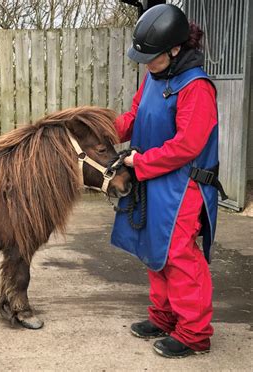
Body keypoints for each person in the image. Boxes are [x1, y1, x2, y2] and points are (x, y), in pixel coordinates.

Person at [111, 4, 225, 358]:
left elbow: (187, 145)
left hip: (184, 186)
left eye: (152, 57)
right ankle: (163, 316)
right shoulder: (155, 78)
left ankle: (193, 333)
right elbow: (134, 116)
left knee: (180, 256)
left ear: (175, 50)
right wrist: (99, 129)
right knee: (152, 250)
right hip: (152, 179)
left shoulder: (197, 88)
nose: (146, 64)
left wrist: (140, 162)